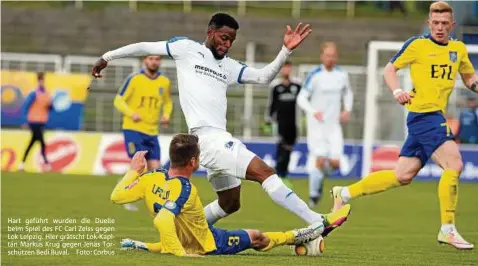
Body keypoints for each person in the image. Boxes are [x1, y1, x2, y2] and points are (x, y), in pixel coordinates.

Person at [92, 13, 332, 228]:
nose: (227, 44)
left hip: (214, 140)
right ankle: (317, 220)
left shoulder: (228, 66)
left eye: (231, 41)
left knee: (230, 203)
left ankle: (183, 230)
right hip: (208, 139)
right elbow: (144, 46)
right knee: (265, 172)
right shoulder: (185, 48)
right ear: (210, 32)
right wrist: (107, 56)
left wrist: (285, 51)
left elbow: (263, 77)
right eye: (223, 37)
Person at [331, 1, 478, 249]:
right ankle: (448, 228)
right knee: (454, 164)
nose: (440, 28)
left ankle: (344, 193)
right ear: (429, 23)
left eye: (444, 23)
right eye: (435, 23)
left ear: (452, 25)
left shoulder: (459, 49)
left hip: (432, 117)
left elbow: (469, 78)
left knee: (403, 175)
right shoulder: (417, 45)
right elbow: (389, 69)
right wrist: (398, 90)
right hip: (424, 115)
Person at [110, 133, 352, 256]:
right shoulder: (184, 188)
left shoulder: (151, 177)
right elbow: (163, 219)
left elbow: (117, 196)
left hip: (189, 234)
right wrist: (181, 254)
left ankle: (307, 238)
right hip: (208, 243)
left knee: (209, 214)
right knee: (257, 238)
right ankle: (310, 231)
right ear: (194, 161)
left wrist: (132, 172)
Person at [297, 42, 353, 207]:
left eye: (333, 55)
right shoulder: (315, 75)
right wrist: (313, 111)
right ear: (322, 56)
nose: (330, 58)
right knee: (320, 160)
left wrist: (347, 109)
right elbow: (301, 98)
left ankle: (319, 180)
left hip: (334, 126)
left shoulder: (342, 75)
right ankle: (314, 196)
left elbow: (348, 92)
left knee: (335, 164)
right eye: (327, 55)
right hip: (317, 127)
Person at [114, 55, 172, 212]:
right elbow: (118, 100)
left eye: (157, 59)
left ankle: (152, 200)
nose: (154, 61)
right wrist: (131, 113)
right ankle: (125, 194)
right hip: (133, 129)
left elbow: (167, 102)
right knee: (141, 166)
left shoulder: (164, 81)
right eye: (151, 58)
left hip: (152, 131)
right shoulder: (134, 78)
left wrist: (166, 114)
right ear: (144, 61)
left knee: (156, 170)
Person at [265, 61, 302, 188]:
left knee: (289, 149)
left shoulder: (297, 85)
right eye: (284, 68)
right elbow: (271, 105)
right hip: (280, 124)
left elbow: (302, 102)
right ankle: (281, 176)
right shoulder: (276, 86)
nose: (286, 70)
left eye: (288, 68)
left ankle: (282, 174)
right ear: (281, 70)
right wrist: (268, 121)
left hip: (294, 123)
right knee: (282, 148)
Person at [18, 72, 52, 171]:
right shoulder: (34, 93)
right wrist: (24, 121)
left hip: (41, 121)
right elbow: (26, 107)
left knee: (32, 143)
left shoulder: (46, 94)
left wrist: (50, 105)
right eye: (40, 80)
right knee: (41, 142)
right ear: (38, 81)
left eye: (43, 80)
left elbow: (49, 108)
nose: (42, 81)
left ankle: (22, 164)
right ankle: (46, 164)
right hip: (33, 121)